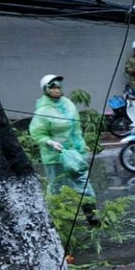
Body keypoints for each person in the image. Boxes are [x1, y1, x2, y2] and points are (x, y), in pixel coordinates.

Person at [28, 74, 100, 226]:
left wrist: (81, 145)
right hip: (55, 156)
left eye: (58, 86)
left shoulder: (68, 104)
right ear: (46, 89)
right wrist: (49, 142)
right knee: (56, 187)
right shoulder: (43, 110)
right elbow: (37, 133)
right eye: (52, 87)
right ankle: (51, 221)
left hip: (73, 154)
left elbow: (76, 129)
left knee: (83, 183)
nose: (56, 89)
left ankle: (92, 217)